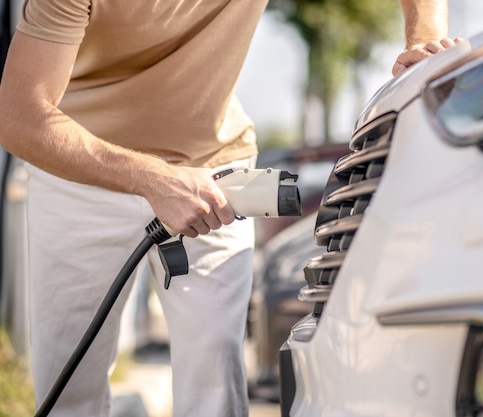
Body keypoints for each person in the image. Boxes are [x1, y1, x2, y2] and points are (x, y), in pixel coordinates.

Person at [0, 1, 457, 416]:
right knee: (68, 389)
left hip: (215, 175)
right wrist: (152, 177)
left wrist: (424, 40)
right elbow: (18, 114)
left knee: (214, 374)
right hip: (81, 175)